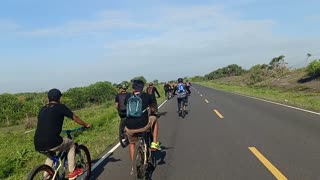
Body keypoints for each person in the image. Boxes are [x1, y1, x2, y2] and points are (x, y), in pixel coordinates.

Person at [34, 88, 91, 180]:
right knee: (71, 144)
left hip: (37, 142)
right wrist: (85, 124)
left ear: (48, 99)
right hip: (52, 141)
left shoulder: (43, 109)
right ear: (59, 99)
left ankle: (47, 177)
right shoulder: (60, 107)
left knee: (51, 156)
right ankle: (72, 172)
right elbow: (75, 117)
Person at [125, 80, 161, 175]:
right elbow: (153, 108)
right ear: (142, 87)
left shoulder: (128, 96)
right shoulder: (147, 96)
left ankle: (133, 167)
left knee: (132, 143)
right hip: (143, 125)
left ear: (133, 88)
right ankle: (154, 143)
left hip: (129, 127)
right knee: (155, 120)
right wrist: (153, 112)